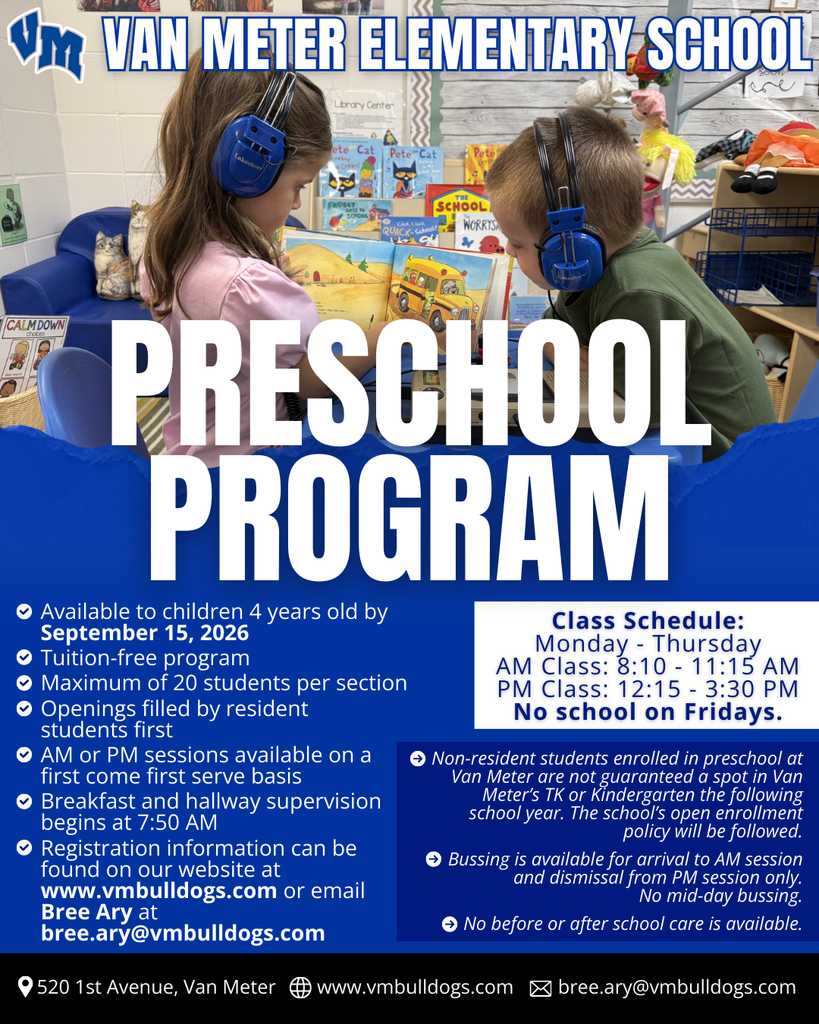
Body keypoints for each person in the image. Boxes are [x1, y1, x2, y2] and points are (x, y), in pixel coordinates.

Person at [486, 106, 776, 461]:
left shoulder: (637, 289)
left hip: (724, 470)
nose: (508, 251)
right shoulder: (592, 268)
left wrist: (584, 359)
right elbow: (552, 330)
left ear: (573, 245)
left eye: (516, 243)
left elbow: (638, 414)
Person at [142, 55, 385, 466]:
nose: (296, 202)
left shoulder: (173, 251)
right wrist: (382, 340)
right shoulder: (244, 286)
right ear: (246, 167)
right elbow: (307, 382)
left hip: (191, 456)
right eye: (298, 185)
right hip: (238, 479)